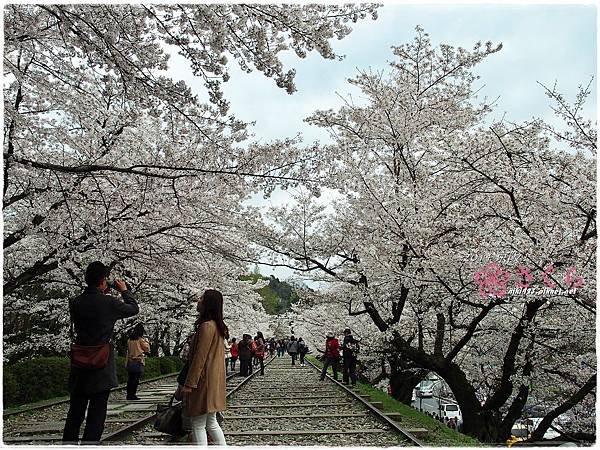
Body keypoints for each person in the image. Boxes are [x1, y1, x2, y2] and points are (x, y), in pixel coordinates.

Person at [62, 261, 139, 444]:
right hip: (100, 362)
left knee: (75, 411)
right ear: (103, 281)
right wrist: (124, 291)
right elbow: (133, 309)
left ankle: (68, 445)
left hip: (79, 362)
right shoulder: (109, 302)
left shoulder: (76, 302)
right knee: (97, 411)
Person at [180, 289, 228, 446]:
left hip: (203, 381)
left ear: (208, 304)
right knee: (211, 423)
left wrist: (189, 383)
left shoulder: (207, 326)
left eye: (201, 298)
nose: (198, 301)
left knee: (198, 424)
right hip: (212, 381)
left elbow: (200, 358)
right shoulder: (217, 326)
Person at [125, 323, 150, 400]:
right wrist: (147, 341)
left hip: (130, 361)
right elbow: (147, 349)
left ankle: (129, 394)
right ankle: (133, 395)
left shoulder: (129, 340)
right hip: (138, 360)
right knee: (135, 379)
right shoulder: (140, 340)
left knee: (130, 379)